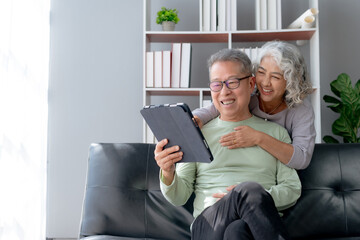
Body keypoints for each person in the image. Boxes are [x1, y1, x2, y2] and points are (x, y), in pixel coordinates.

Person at [154, 48, 301, 240]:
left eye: (232, 82)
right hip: (208, 226)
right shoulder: (197, 134)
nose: (224, 92)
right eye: (217, 85)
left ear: (251, 83)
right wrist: (168, 171)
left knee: (237, 231)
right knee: (247, 192)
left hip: (253, 229)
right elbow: (178, 197)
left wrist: (254, 197)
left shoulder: (275, 135)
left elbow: (291, 189)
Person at [193, 41, 315, 170]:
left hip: (280, 171)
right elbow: (215, 107)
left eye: (275, 77)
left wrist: (258, 138)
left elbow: (301, 160)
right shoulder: (249, 97)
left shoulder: (301, 110)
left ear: (291, 81)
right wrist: (197, 119)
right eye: (261, 73)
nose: (265, 83)